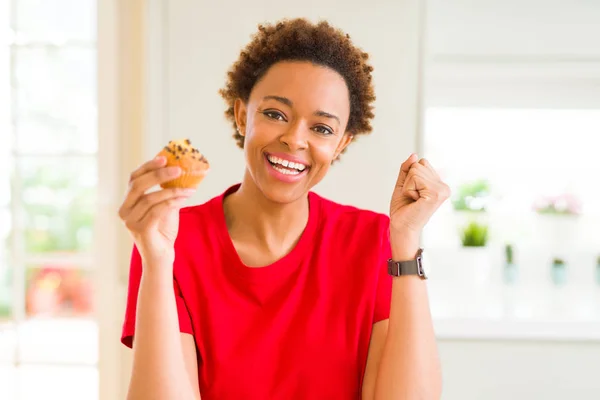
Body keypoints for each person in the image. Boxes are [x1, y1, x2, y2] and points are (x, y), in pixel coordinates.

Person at [118, 18, 448, 400]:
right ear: (243, 115)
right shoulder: (170, 239)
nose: (294, 140)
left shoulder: (376, 242)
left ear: (341, 143)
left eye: (322, 129)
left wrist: (406, 242)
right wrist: (157, 261)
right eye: (275, 114)